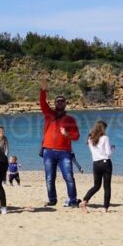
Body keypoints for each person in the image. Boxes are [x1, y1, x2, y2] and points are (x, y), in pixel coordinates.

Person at [39, 78, 80, 207]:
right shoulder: (49, 114)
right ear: (55, 103)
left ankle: (72, 200)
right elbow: (42, 102)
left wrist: (67, 134)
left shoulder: (70, 119)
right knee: (50, 178)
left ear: (65, 104)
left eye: (62, 101)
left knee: (69, 177)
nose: (60, 103)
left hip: (64, 152)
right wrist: (44, 89)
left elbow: (77, 136)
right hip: (48, 151)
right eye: (58, 101)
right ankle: (52, 200)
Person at [80, 120, 114, 213]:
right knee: (107, 187)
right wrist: (113, 148)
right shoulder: (105, 138)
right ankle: (105, 208)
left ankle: (84, 201)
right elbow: (108, 153)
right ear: (103, 128)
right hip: (105, 163)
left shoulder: (90, 139)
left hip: (96, 164)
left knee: (96, 186)